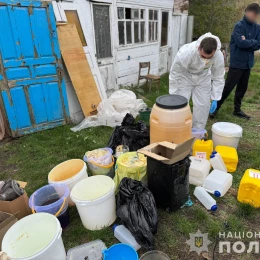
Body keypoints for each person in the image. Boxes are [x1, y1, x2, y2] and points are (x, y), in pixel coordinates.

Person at [211, 3, 260, 119]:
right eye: (252, 15)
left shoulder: (257, 28)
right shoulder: (239, 26)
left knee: (242, 88)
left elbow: (258, 44)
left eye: (256, 15)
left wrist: (248, 41)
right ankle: (214, 108)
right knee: (228, 87)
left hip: (248, 63)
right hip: (237, 63)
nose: (254, 17)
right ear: (247, 12)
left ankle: (237, 110)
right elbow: (240, 43)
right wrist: (252, 42)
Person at [169, 33, 225, 130]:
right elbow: (175, 73)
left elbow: (218, 76)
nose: (206, 59)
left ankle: (198, 132)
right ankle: (180, 129)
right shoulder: (186, 52)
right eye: (203, 56)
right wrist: (173, 93)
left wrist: (215, 97)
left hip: (203, 77)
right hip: (185, 76)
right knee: (181, 103)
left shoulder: (218, 55)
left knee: (203, 105)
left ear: (215, 52)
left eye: (209, 57)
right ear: (199, 48)